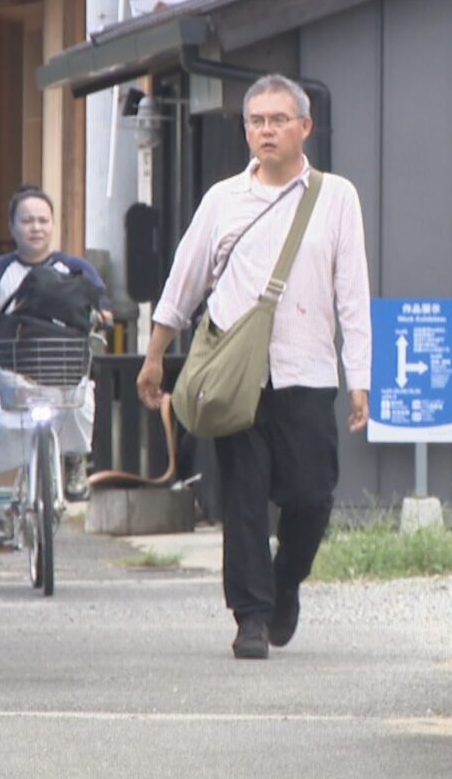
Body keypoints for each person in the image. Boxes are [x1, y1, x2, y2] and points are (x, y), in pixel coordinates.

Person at [137, 74, 372, 661]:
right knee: (242, 496)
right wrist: (155, 353)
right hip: (235, 375)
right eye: (256, 121)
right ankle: (250, 616)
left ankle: (285, 580)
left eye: (278, 119)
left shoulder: (336, 196)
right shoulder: (223, 199)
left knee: (311, 496)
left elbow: (354, 294)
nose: (267, 130)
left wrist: (360, 377)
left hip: (308, 371)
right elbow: (184, 280)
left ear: (305, 127)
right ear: (246, 131)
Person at [0, 186, 111, 551]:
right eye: (27, 220)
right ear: (12, 226)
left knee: (83, 405)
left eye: (43, 220)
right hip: (12, 366)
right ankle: (0, 512)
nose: (36, 228)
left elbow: (101, 303)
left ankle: (76, 461)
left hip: (63, 364)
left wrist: (103, 316)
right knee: (3, 425)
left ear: (54, 224)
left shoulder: (75, 267)